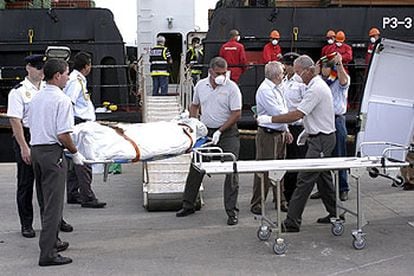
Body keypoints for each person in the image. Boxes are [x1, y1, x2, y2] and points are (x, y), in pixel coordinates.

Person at [257, 55, 340, 232]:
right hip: (318, 138)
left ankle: (292, 222)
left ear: (308, 70)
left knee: (304, 179)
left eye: (298, 72)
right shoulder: (313, 86)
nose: (297, 76)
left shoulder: (315, 89)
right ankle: (336, 213)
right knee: (323, 179)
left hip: (321, 140)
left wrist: (269, 118)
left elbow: (297, 114)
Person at [7, 54, 73, 238]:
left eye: (43, 67)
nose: (41, 71)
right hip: (27, 136)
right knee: (26, 183)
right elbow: (15, 121)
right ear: (28, 68)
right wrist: (23, 147)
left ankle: (54, 220)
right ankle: (26, 223)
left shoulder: (47, 88)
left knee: (49, 187)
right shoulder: (18, 91)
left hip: (45, 133)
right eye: (37, 67)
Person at [29, 58, 85, 266]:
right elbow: (63, 134)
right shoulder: (62, 100)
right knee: (54, 205)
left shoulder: (36, 98)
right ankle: (48, 254)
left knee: (45, 200)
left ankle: (53, 241)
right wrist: (75, 152)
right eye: (66, 73)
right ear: (57, 76)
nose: (68, 77)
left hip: (36, 150)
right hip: (53, 153)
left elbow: (30, 123)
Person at [176, 57, 242, 226]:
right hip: (206, 132)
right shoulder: (201, 86)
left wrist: (221, 131)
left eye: (224, 73)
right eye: (219, 73)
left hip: (227, 133)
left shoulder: (231, 88)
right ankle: (188, 204)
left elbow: (236, 113)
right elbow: (194, 105)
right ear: (211, 72)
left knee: (231, 169)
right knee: (196, 166)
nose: (222, 76)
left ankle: (232, 211)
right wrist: (193, 123)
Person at [64, 52, 106, 208]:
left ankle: (73, 193)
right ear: (86, 66)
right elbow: (69, 102)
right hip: (80, 124)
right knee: (84, 159)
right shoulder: (75, 81)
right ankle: (87, 196)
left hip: (80, 122)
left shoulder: (78, 79)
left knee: (75, 160)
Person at [250, 61, 292, 215]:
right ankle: (257, 203)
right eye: (282, 72)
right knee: (264, 170)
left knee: (279, 168)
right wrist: (292, 117)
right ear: (276, 75)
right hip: (268, 134)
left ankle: (280, 200)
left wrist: (286, 129)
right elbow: (278, 111)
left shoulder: (277, 88)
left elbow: (283, 109)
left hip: (279, 132)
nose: (284, 75)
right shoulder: (265, 90)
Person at [316, 53, 350, 202]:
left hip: (336, 119)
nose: (325, 70)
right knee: (322, 155)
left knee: (340, 155)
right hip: (323, 119)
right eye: (324, 67)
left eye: (327, 67)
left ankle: (343, 188)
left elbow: (343, 81)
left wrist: (339, 65)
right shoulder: (319, 82)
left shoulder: (339, 78)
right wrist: (316, 74)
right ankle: (325, 188)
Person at [280, 52, 308, 203]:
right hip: (285, 126)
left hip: (297, 126)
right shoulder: (283, 82)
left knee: (296, 161)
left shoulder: (301, 84)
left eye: (286, 64)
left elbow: (306, 105)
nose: (284, 67)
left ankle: (295, 194)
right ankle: (287, 192)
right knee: (285, 161)